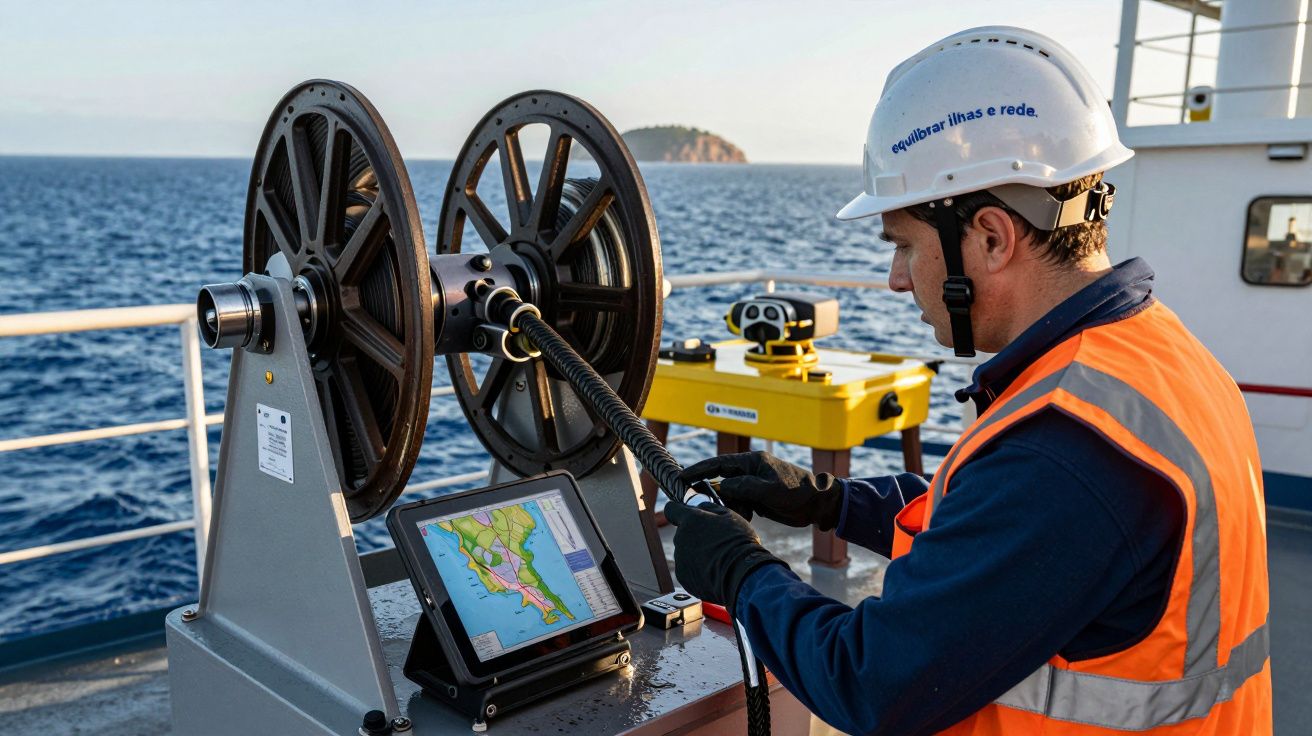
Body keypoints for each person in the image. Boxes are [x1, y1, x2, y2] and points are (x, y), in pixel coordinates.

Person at [665, 26, 1272, 735]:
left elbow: (873, 682)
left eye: (904, 246)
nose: (896, 280)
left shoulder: (1066, 449)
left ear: (990, 236)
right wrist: (832, 503)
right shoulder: (1154, 354)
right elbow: (1000, 529)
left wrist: (742, 576)